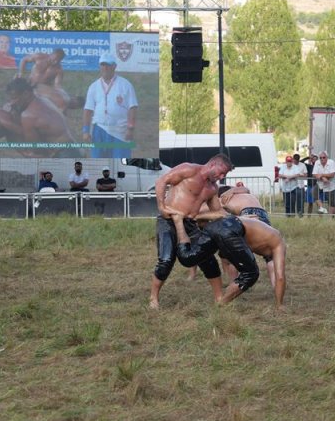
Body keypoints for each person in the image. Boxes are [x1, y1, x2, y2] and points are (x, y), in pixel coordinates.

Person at [149, 154, 233, 309]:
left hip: (190, 224)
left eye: (225, 175)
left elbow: (219, 212)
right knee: (166, 260)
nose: (222, 177)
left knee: (207, 259)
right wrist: (162, 207)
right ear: (213, 163)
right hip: (169, 220)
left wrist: (199, 215)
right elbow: (162, 181)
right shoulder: (189, 169)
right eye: (222, 172)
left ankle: (219, 297)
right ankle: (153, 298)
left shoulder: (213, 188)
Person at [169, 210, 287, 309]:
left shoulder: (263, 234)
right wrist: (279, 305)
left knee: (187, 259)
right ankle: (221, 305)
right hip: (231, 227)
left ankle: (178, 222)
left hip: (217, 226)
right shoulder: (278, 243)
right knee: (251, 273)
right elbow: (280, 277)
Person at [82, 53, 138, 159]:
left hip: (119, 131)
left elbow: (133, 107)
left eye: (108, 65)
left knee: (120, 160)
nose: (105, 68)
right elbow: (88, 110)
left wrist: (130, 128)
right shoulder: (94, 87)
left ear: (114, 66)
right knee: (99, 160)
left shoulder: (125, 85)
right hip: (99, 130)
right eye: (103, 65)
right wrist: (85, 131)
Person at [18, 48, 82, 112]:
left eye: (58, 60)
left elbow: (57, 85)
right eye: (55, 59)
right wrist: (21, 73)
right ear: (51, 55)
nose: (55, 62)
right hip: (29, 82)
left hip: (41, 88)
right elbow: (24, 59)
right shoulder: (39, 57)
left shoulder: (59, 70)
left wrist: (62, 93)